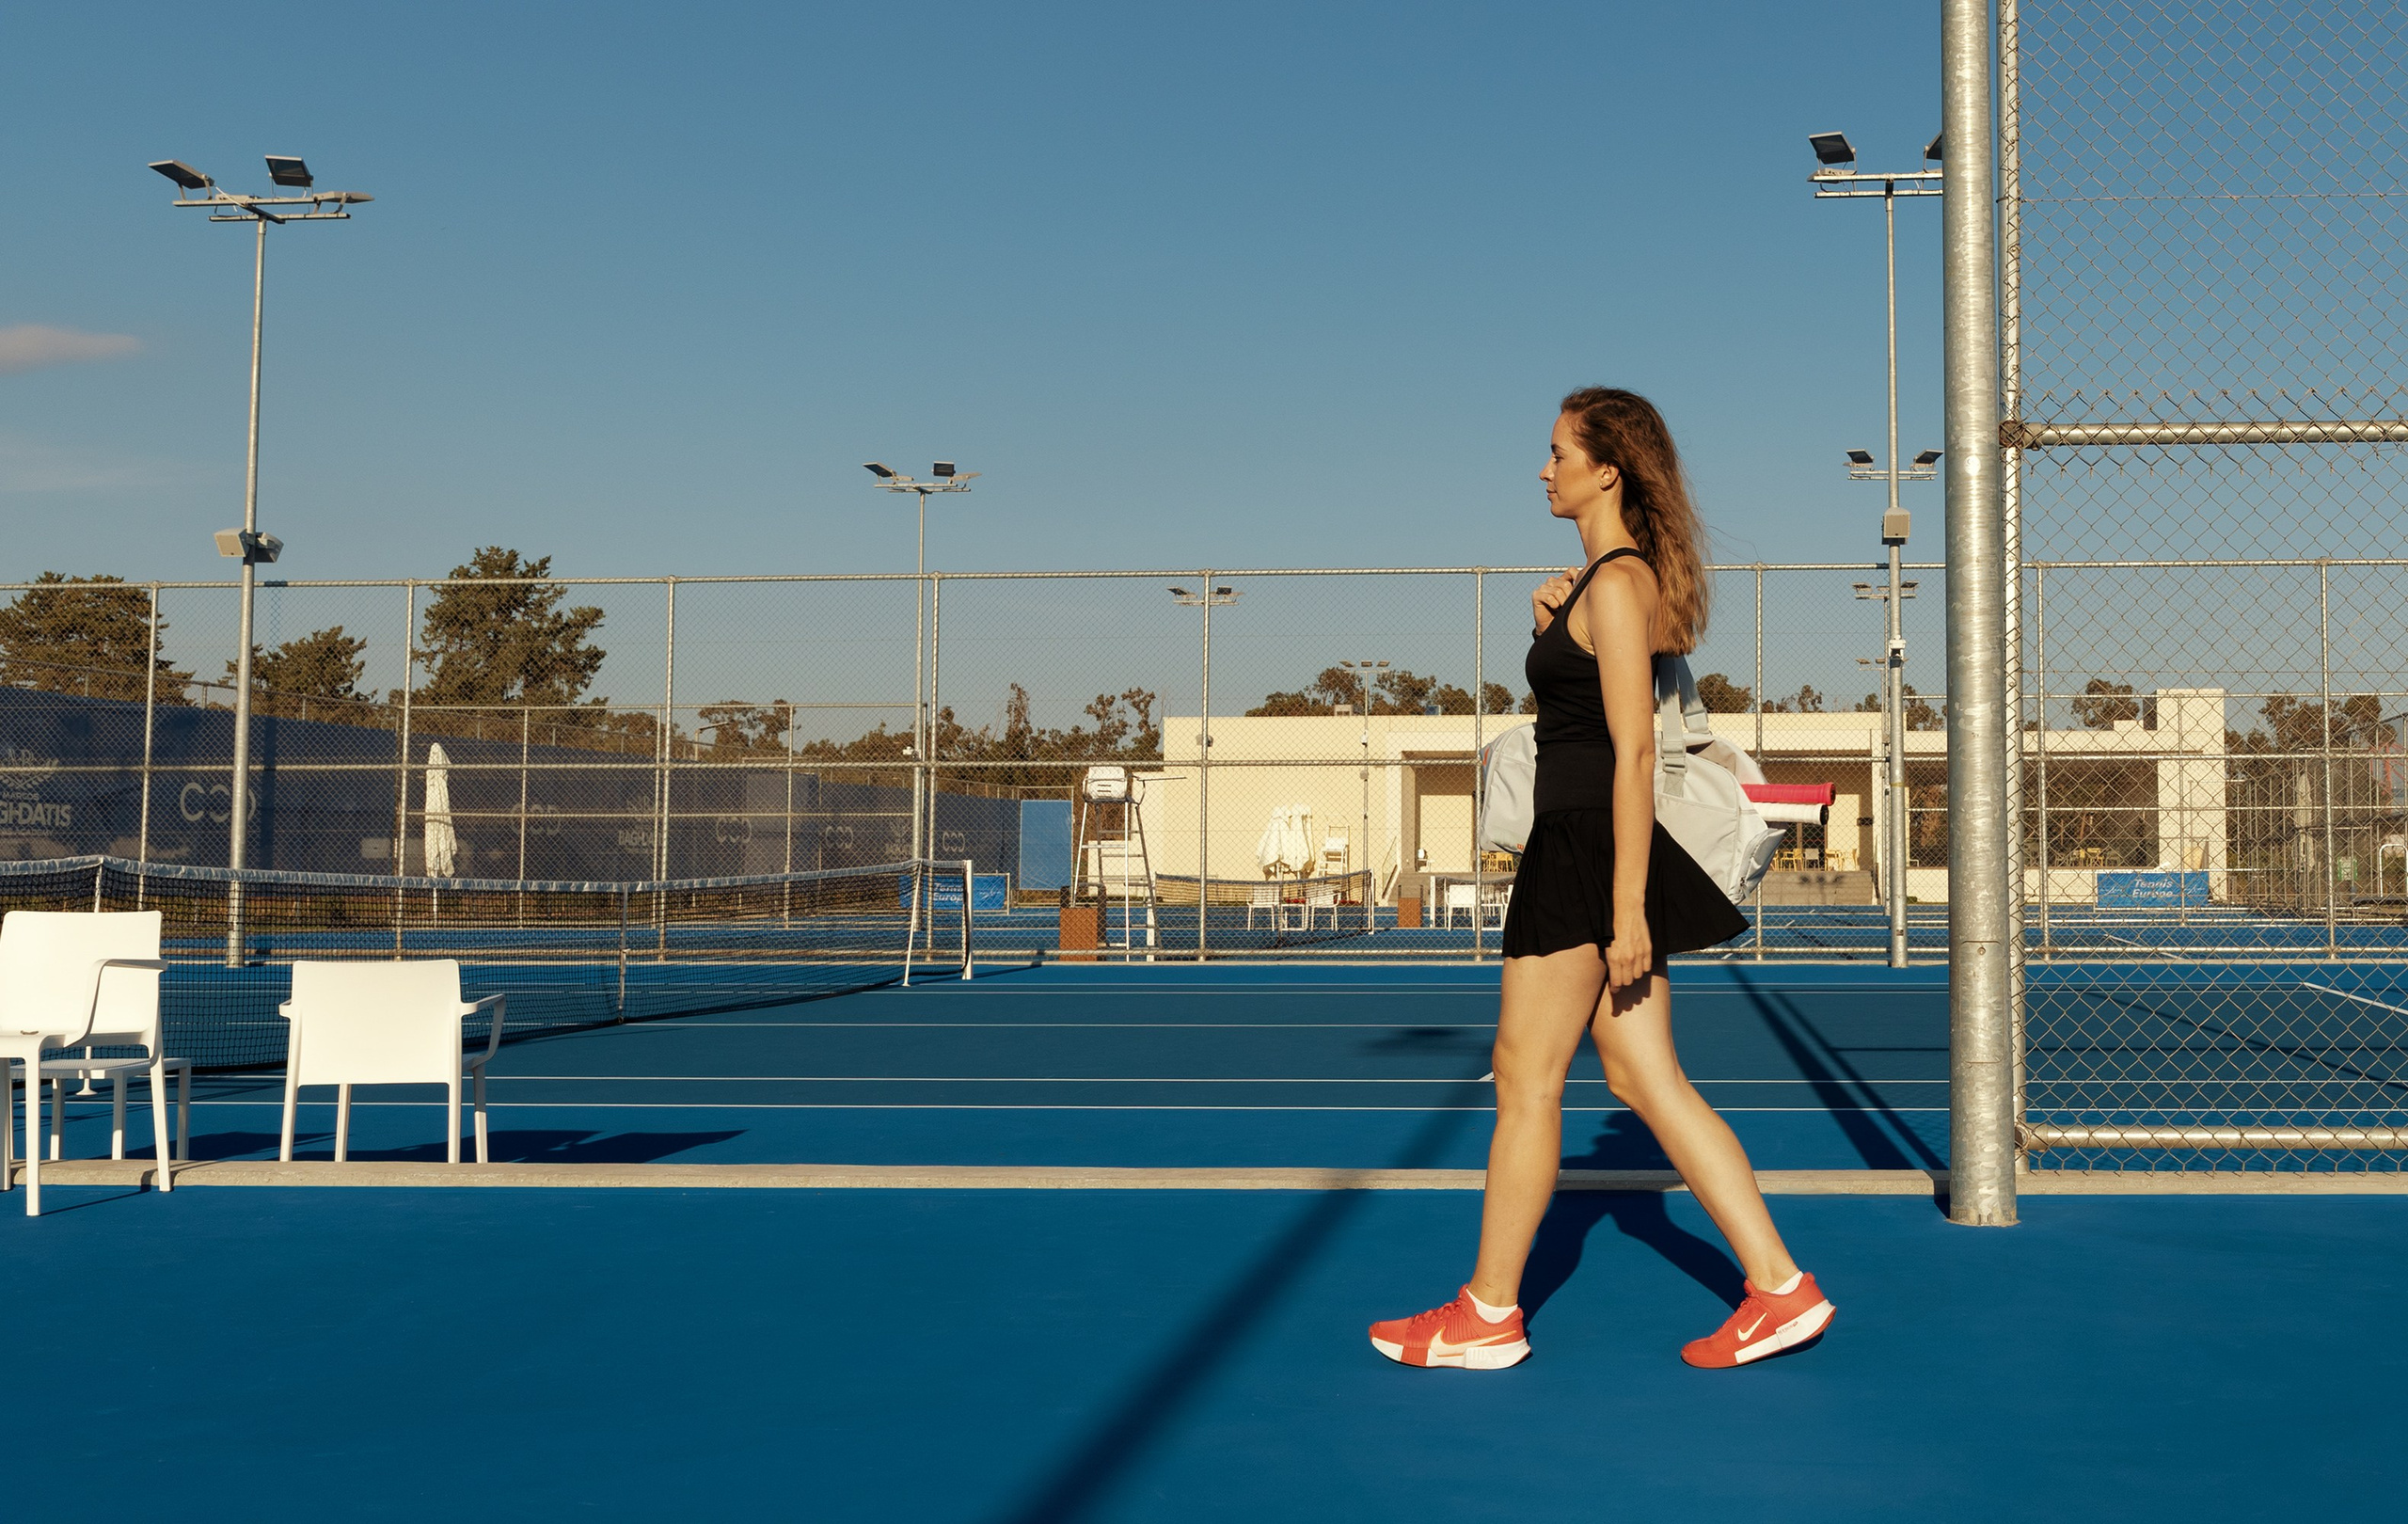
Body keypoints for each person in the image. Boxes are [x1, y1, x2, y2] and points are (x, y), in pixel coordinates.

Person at [1369, 388, 1833, 1372]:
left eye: (1555, 453)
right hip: (1588, 847)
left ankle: (1488, 1314)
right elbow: (1587, 714)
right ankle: (1781, 1290)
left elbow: (1628, 754)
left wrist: (1625, 908)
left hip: (1586, 854)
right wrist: (1554, 622)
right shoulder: (1600, 587)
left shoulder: (1618, 583)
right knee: (1642, 1076)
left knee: (1526, 1079)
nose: (1542, 470)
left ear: (1605, 468)